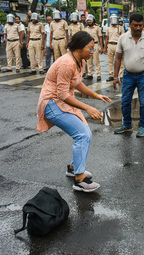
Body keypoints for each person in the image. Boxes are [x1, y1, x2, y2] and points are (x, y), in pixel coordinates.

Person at [36, 31, 112, 192]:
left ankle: (73, 167)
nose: (92, 52)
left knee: (84, 133)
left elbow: (77, 83)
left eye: (93, 49)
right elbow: (63, 94)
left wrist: (96, 95)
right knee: (83, 135)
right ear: (78, 47)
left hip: (61, 102)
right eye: (90, 48)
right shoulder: (66, 63)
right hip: (51, 104)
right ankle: (79, 179)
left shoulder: (80, 61)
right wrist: (87, 107)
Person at [113, 13, 144, 137]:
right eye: (135, 25)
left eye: (140, 25)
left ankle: (142, 126)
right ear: (130, 25)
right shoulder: (123, 38)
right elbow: (117, 58)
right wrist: (115, 76)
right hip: (128, 75)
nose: (138, 28)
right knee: (125, 101)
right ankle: (127, 124)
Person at [104, 14, 124, 82]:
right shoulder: (109, 28)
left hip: (118, 45)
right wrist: (104, 47)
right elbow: (106, 38)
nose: (114, 20)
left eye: (115, 19)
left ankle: (121, 75)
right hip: (110, 44)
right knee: (110, 61)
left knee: (120, 61)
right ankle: (111, 75)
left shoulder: (120, 28)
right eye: (112, 19)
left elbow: (122, 38)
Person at [84, 14, 103, 81]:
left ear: (93, 21)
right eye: (88, 20)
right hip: (88, 46)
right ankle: (90, 74)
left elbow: (100, 37)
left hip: (95, 45)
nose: (89, 21)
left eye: (90, 20)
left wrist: (102, 47)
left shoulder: (97, 28)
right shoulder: (85, 29)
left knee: (96, 60)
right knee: (89, 60)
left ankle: (98, 74)